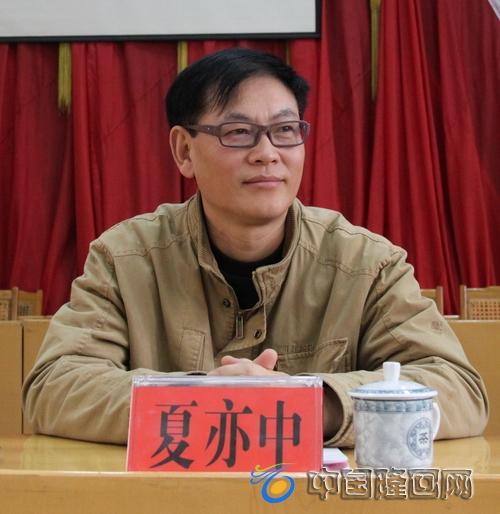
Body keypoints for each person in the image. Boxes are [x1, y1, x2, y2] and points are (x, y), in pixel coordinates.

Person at [22, 48, 488, 445]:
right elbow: (55, 388)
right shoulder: (126, 258)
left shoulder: (367, 263)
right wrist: (203, 398)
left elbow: (458, 391)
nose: (268, 153)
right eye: (238, 132)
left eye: (285, 130)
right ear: (184, 151)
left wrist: (308, 403)